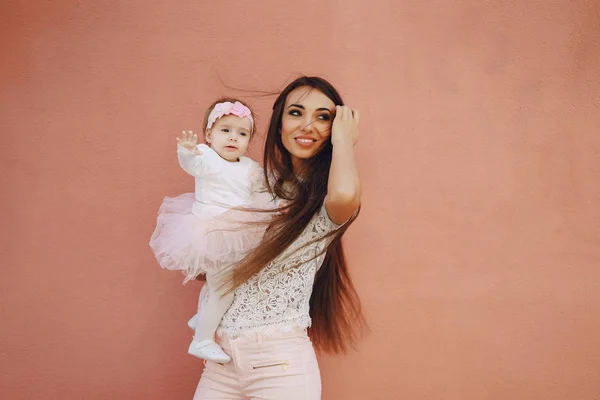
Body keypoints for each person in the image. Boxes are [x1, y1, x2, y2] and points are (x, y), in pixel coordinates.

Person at [193, 76, 365, 400]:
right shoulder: (256, 182)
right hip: (221, 363)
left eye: (323, 117)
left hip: (280, 367)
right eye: (296, 113)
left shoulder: (324, 198)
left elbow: (345, 194)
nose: (308, 125)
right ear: (279, 122)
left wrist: (344, 141)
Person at [149, 99, 273, 364]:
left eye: (242, 133)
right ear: (209, 135)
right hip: (212, 230)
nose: (233, 138)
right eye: (225, 130)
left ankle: (202, 317)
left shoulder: (248, 167)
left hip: (238, 231)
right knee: (224, 287)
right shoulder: (206, 155)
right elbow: (192, 165)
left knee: (219, 281)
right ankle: (202, 340)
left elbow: (263, 184)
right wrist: (187, 151)